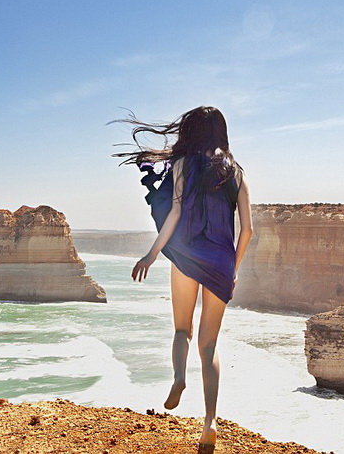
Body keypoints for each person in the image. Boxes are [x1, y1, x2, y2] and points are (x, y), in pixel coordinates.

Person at [113, 106, 253, 453]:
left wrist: (152, 254)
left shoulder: (182, 165)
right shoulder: (236, 173)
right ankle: (210, 423)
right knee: (209, 346)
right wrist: (231, 267)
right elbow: (248, 231)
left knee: (181, 331)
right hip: (221, 263)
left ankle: (178, 378)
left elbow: (174, 214)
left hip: (188, 257)